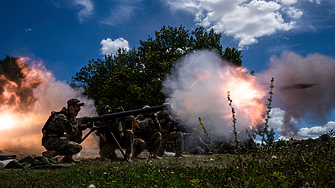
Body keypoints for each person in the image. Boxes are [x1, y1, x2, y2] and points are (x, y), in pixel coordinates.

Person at [41, 98, 91, 163]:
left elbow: (74, 127)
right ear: (71, 107)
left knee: (78, 132)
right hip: (50, 141)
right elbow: (73, 132)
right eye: (77, 106)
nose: (79, 109)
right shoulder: (62, 117)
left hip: (57, 138)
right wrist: (74, 118)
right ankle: (53, 153)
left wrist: (85, 126)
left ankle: (68, 158)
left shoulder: (67, 116)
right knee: (77, 147)